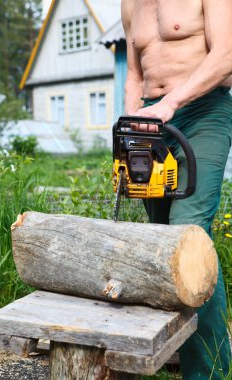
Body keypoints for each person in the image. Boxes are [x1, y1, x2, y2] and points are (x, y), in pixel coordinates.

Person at [121, 0, 232, 379]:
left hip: (202, 113)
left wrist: (171, 103)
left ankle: (210, 371)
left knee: (188, 232)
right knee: (159, 240)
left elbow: (227, 55)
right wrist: (131, 122)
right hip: (151, 122)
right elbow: (134, 75)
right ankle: (176, 352)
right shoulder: (130, 3)